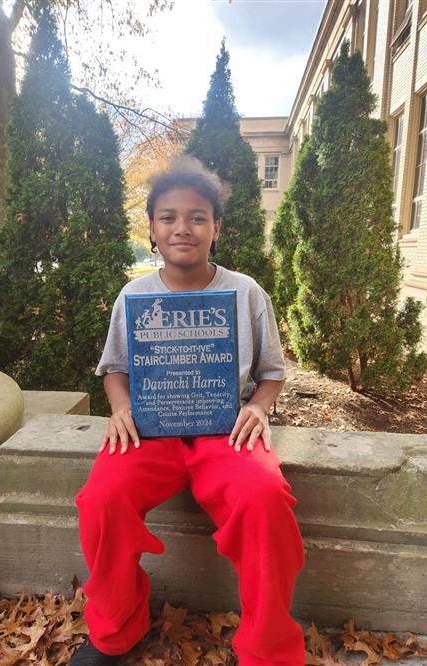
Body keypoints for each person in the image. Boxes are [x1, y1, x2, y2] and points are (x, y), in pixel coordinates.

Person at [72, 157, 305, 666]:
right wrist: (120, 406)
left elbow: (271, 371)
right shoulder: (135, 294)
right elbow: (114, 367)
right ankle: (116, 628)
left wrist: (261, 408)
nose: (183, 227)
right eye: (168, 216)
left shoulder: (245, 292)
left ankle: (268, 649)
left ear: (216, 228)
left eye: (198, 217)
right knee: (102, 497)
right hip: (151, 431)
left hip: (225, 430)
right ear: (152, 228)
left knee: (265, 497)